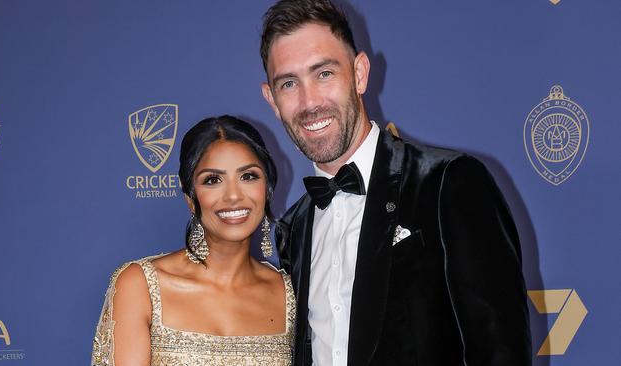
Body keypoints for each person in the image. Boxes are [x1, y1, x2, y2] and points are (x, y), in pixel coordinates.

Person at [259, 1, 531, 365]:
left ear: (359, 73)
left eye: (324, 74)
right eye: (289, 83)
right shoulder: (293, 227)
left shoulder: (448, 183)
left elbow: (501, 353)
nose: (309, 102)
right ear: (272, 100)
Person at [91, 115, 294, 365]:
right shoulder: (139, 285)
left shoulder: (288, 295)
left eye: (248, 176)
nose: (233, 196)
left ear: (268, 188)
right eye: (213, 180)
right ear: (190, 197)